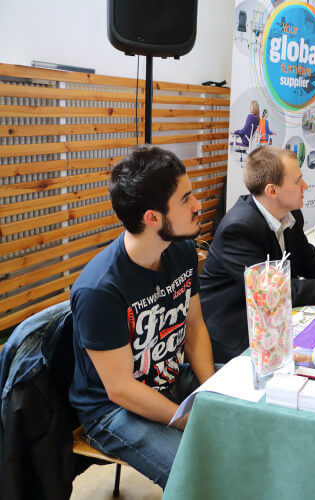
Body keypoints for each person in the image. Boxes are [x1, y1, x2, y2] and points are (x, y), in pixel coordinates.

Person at [68, 145, 216, 489]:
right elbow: (120, 389)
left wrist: (211, 392)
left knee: (256, 413)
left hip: (172, 380)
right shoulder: (99, 290)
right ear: (152, 218)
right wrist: (185, 419)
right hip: (114, 410)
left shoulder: (179, 249)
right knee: (202, 472)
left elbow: (193, 325)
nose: (198, 205)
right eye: (186, 199)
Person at [200, 146, 315, 362]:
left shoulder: (290, 212)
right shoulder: (239, 228)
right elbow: (274, 293)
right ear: (272, 191)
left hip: (272, 320)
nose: (305, 186)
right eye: (298, 181)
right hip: (235, 333)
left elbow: (309, 260)